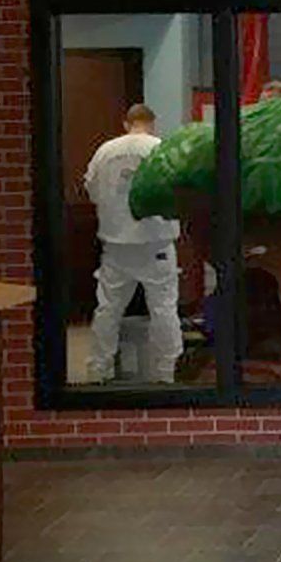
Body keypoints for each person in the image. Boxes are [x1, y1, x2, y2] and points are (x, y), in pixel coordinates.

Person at [83, 103, 183, 382]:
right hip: (156, 242)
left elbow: (92, 191)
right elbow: (177, 191)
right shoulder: (162, 148)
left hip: (115, 244)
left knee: (108, 309)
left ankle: (98, 370)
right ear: (152, 124)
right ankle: (168, 371)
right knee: (163, 308)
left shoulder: (105, 151)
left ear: (126, 124)